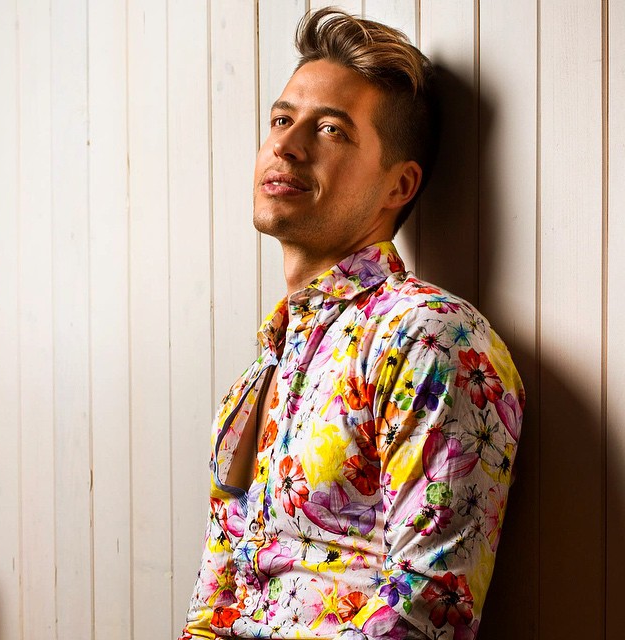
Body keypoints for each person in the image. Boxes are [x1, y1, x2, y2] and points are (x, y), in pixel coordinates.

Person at [179, 8, 524, 640]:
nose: (287, 145)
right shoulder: (261, 370)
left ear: (400, 185)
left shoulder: (428, 338)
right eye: (281, 119)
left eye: (331, 129)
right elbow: (215, 604)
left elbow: (430, 609)